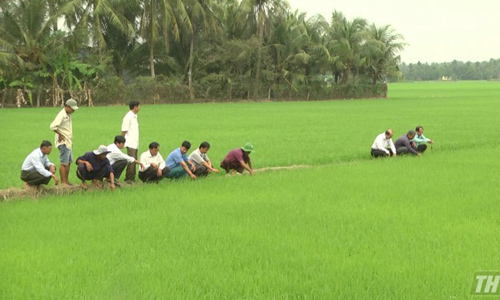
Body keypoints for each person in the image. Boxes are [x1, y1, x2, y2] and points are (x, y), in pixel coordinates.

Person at [50, 98, 78, 187]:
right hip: (63, 142)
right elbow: (53, 126)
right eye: (72, 108)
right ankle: (63, 183)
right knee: (64, 163)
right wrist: (60, 135)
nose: (73, 110)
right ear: (67, 106)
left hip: (68, 142)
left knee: (69, 162)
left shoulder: (68, 114)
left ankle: (66, 181)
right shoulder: (61, 115)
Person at [121, 101, 140, 182]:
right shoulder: (128, 116)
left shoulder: (134, 116)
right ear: (135, 107)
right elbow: (124, 130)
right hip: (130, 142)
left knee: (134, 160)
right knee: (131, 161)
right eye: (138, 106)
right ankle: (128, 179)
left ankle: (132, 178)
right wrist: (121, 141)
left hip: (135, 142)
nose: (139, 108)